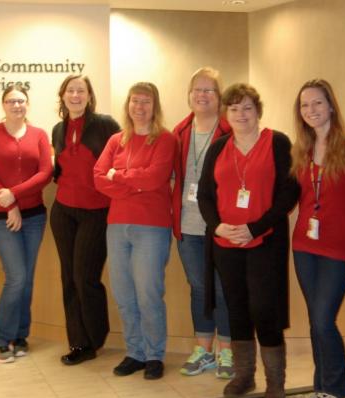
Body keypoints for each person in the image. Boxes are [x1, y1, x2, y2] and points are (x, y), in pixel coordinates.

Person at [197, 83, 299, 398]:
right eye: (234, 108)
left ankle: (275, 381)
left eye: (247, 108)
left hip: (265, 242)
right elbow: (204, 196)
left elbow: (290, 192)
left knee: (264, 309)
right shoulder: (218, 148)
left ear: (258, 111)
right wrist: (219, 227)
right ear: (226, 114)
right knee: (237, 309)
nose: (241, 114)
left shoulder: (278, 142)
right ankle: (244, 377)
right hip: (226, 245)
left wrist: (255, 227)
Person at [290, 79, 345, 398]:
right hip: (304, 246)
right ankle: (322, 388)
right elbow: (297, 198)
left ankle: (336, 391)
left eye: (317, 103)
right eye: (305, 105)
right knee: (315, 321)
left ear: (331, 105)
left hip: (337, 250)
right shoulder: (300, 149)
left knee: (323, 320)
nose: (311, 110)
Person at [94, 82, 177, 380]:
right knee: (124, 293)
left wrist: (120, 178)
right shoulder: (117, 140)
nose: (139, 107)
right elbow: (99, 178)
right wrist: (131, 183)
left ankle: (154, 354)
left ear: (155, 106)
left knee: (148, 294)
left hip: (151, 227)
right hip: (117, 226)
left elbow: (155, 179)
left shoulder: (165, 140)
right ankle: (135, 352)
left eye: (146, 101)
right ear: (127, 105)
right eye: (134, 101)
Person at [0, 85, 52, 363]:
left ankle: (20, 335)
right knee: (16, 277)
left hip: (33, 216)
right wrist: (9, 205)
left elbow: (46, 173)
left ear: (27, 104)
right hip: (0, 216)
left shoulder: (39, 135)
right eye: (11, 101)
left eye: (21, 101)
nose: (16, 105)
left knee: (27, 279)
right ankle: (0, 339)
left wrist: (15, 195)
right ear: (3, 105)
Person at [50, 75, 121, 365]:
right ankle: (78, 342)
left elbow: (122, 156)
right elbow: (59, 168)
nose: (75, 95)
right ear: (63, 96)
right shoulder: (58, 129)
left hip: (97, 211)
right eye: (71, 91)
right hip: (63, 211)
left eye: (81, 91)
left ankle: (94, 337)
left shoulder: (105, 124)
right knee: (68, 277)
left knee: (84, 277)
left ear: (89, 96)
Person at [172, 67, 234, 379]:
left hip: (220, 226)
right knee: (198, 288)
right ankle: (203, 350)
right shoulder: (180, 132)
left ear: (220, 97)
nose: (202, 95)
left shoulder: (230, 130)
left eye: (209, 90)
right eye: (197, 89)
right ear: (189, 94)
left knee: (222, 289)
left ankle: (226, 352)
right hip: (187, 226)